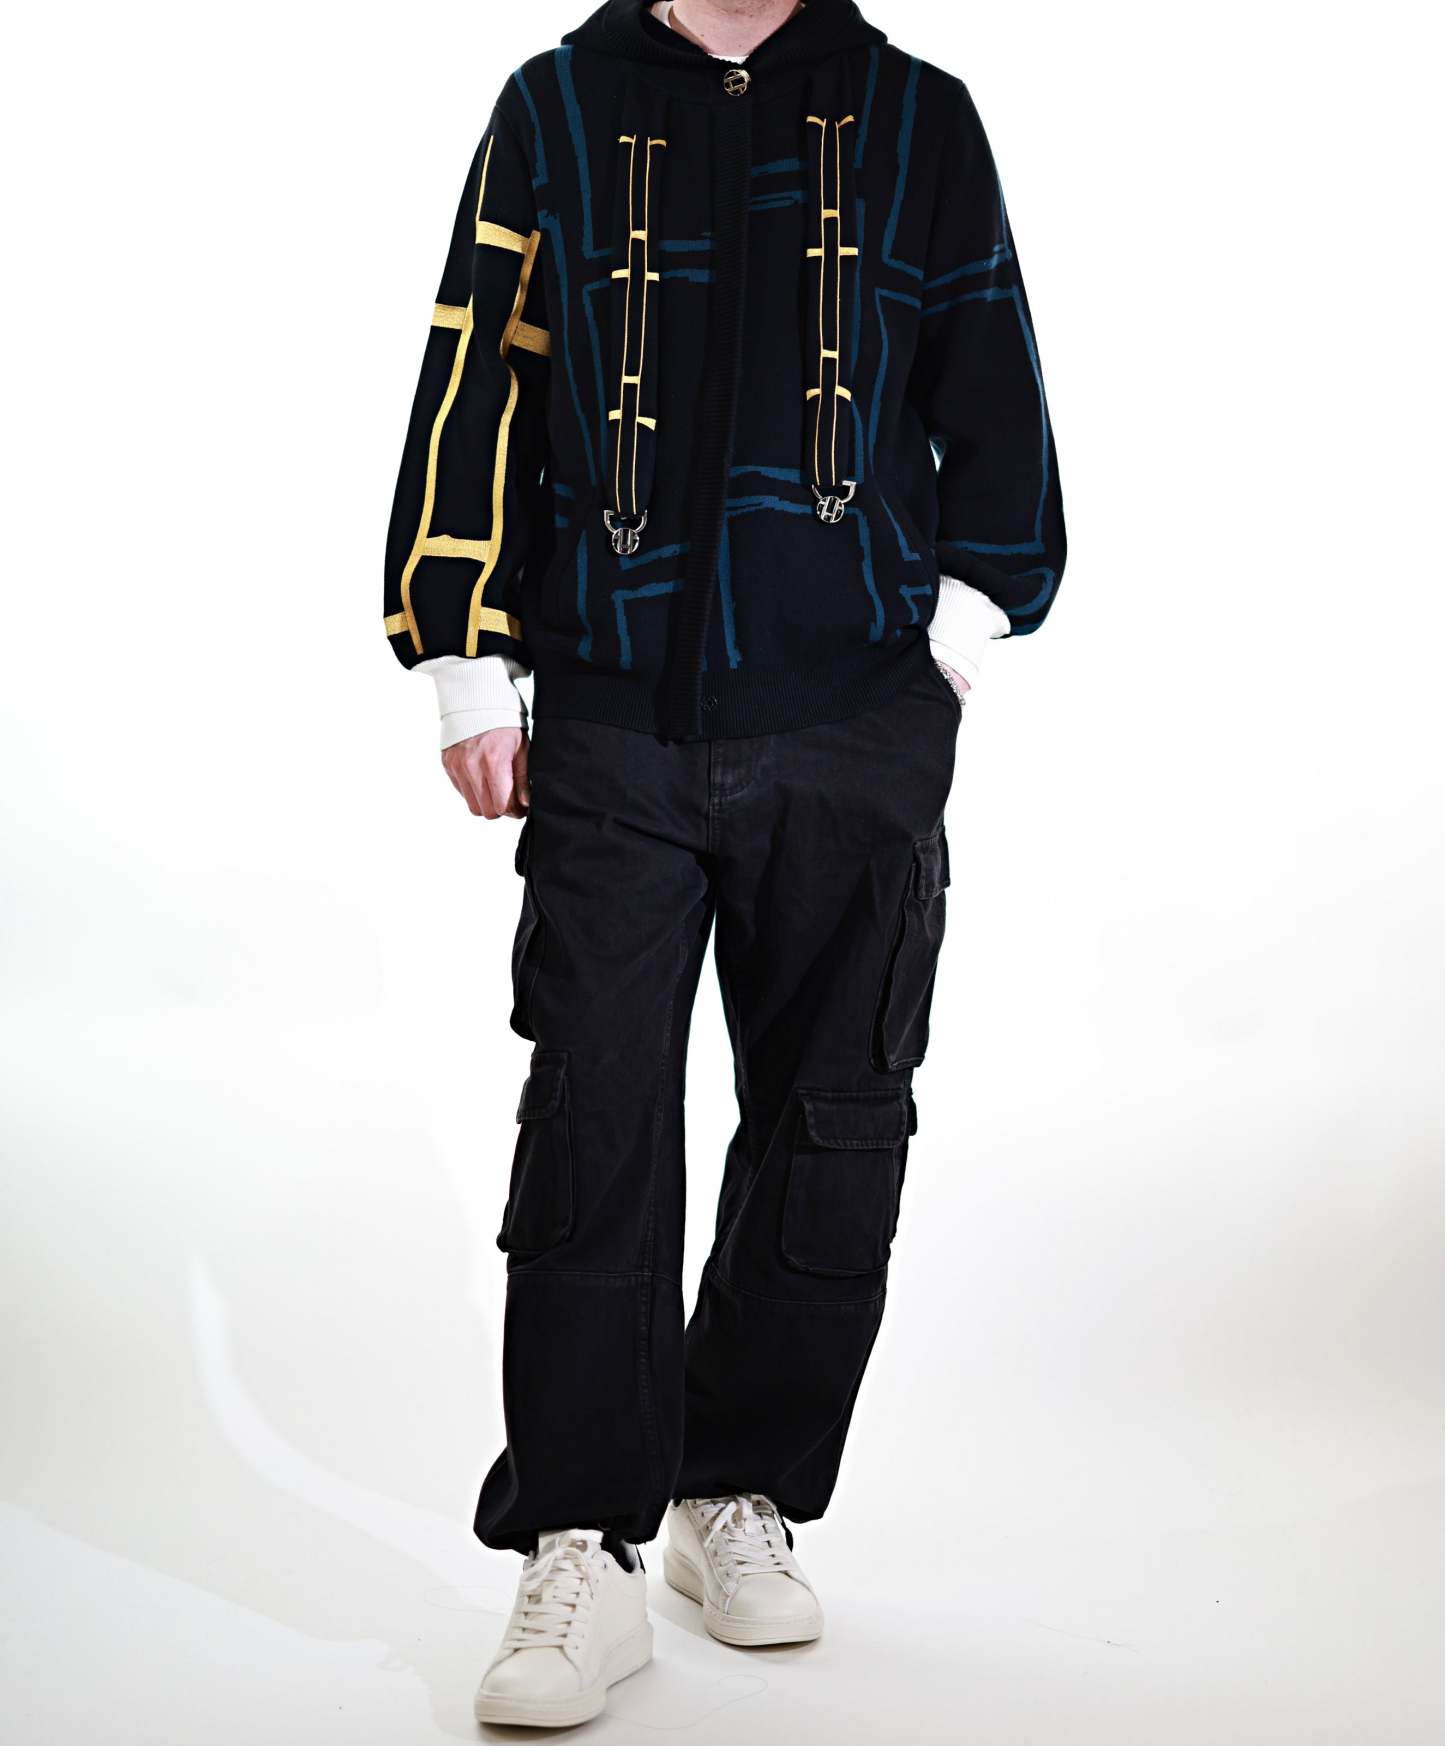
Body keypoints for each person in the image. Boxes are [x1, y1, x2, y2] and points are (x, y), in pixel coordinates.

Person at [383, 0, 1066, 1726]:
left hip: (855, 720)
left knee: (837, 1121)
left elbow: (985, 359)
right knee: (594, 1116)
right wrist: (465, 652)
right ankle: (582, 1545)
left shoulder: (918, 115)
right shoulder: (555, 103)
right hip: (609, 715)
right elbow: (475, 371)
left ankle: (730, 1489)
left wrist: (954, 634)